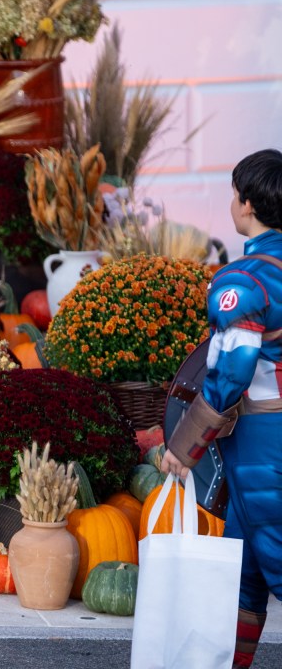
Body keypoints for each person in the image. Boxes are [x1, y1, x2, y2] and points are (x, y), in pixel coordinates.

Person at [161, 148, 282, 667]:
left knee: (270, 555)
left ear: (247, 203)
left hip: (264, 441)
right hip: (261, 443)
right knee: (244, 570)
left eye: (234, 192)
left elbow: (231, 374)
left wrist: (184, 446)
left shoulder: (243, 281)